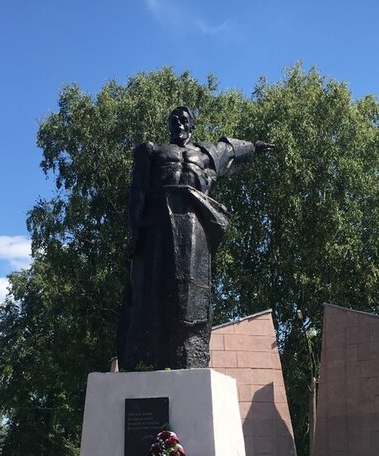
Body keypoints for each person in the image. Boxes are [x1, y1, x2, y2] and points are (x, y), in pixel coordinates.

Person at [116, 106, 273, 371]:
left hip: (193, 226)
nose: (178, 123)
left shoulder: (205, 154)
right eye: (174, 119)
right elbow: (137, 192)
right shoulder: (154, 151)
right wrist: (134, 232)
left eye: (184, 119)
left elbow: (231, 149)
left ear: (192, 125)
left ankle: (187, 353)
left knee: (191, 291)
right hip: (157, 225)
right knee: (151, 287)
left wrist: (255, 147)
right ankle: (144, 355)